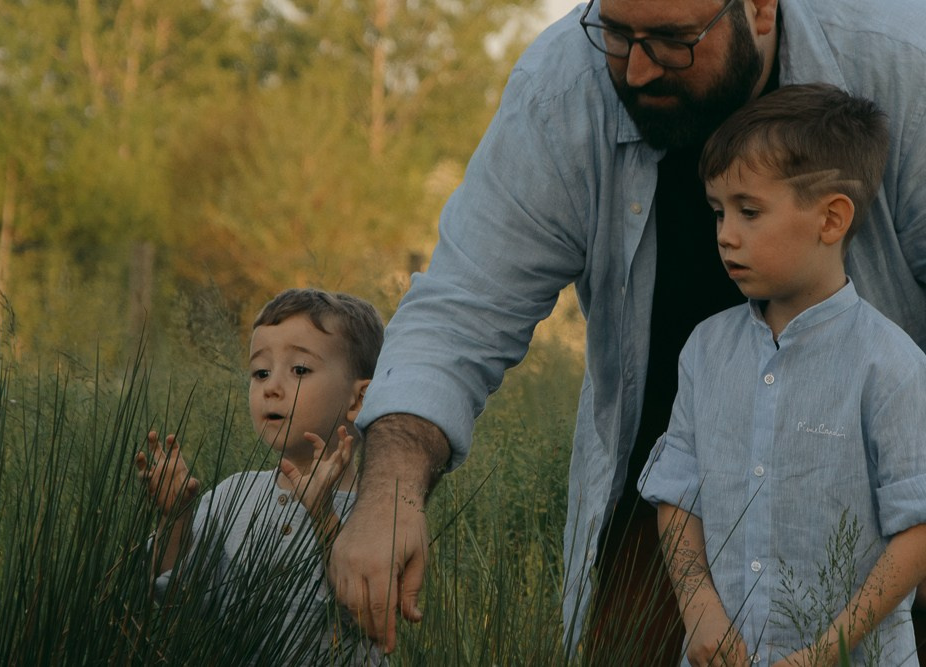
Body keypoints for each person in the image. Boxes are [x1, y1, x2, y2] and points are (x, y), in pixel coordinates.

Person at [326, 0, 926, 657]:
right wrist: (389, 493)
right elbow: (464, 306)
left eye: (672, 40)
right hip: (671, 516)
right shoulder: (563, 89)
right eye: (615, 33)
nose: (636, 71)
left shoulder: (902, 63)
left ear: (757, 7)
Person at [635, 83, 926, 667]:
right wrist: (700, 614)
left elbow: (917, 529)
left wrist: (830, 650)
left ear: (831, 218)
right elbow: (677, 496)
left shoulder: (890, 364)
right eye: (718, 211)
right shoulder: (705, 350)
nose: (724, 233)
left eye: (749, 210)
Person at [135, 288, 385, 666]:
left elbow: (370, 616)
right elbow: (174, 599)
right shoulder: (234, 493)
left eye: (299, 370)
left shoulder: (378, 511)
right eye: (260, 372)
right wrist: (177, 519)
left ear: (358, 400)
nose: (271, 387)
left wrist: (322, 515)